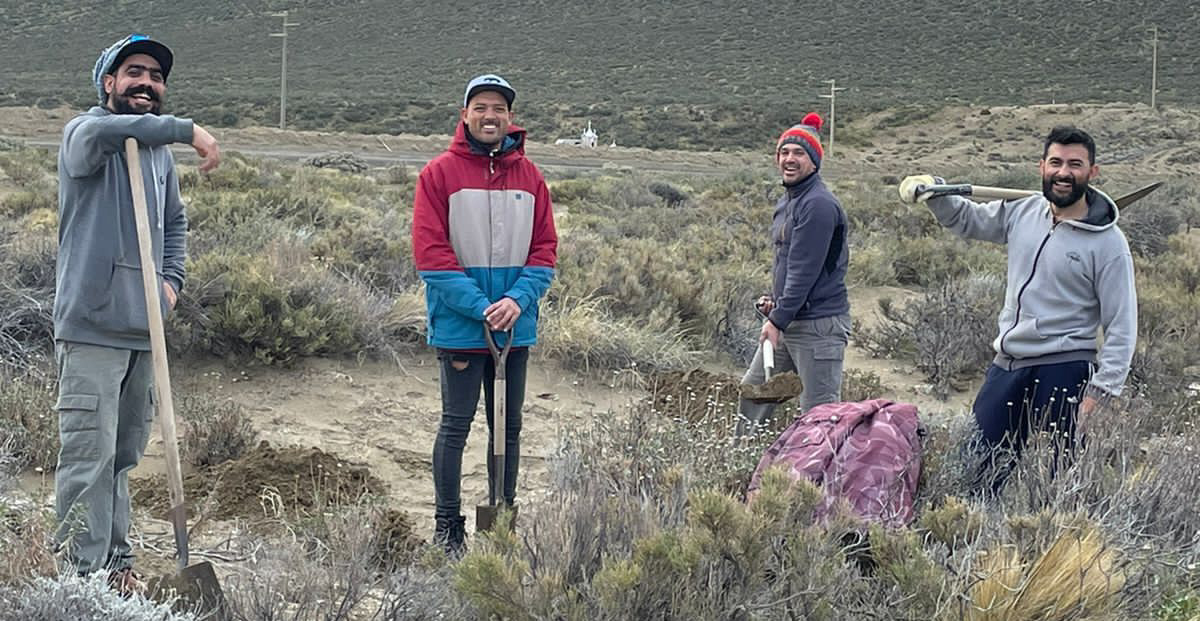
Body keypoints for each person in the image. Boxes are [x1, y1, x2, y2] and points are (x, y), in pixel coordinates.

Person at [54, 34, 220, 592]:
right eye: (133, 72)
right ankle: (80, 579)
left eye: (155, 75)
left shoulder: (156, 156)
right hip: (91, 327)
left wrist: (170, 284)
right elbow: (101, 134)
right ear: (109, 83)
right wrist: (186, 130)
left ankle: (116, 561)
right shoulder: (85, 134)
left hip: (144, 329)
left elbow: (174, 223)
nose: (146, 82)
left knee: (123, 455)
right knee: (89, 454)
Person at [898, 125, 1137, 491]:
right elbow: (968, 219)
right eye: (1055, 162)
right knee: (975, 472)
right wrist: (936, 192)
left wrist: (1101, 392)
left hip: (1065, 368)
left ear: (1092, 172)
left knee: (1060, 484)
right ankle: (977, 525)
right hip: (1008, 363)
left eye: (1075, 165)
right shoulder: (1023, 210)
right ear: (1042, 166)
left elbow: (1122, 324)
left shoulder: (1109, 243)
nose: (1063, 172)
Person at [412, 74, 557, 554]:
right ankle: (448, 527)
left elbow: (544, 251)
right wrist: (481, 307)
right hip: (461, 327)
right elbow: (432, 257)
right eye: (481, 107)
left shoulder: (531, 178)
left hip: (514, 328)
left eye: (499, 108)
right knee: (455, 426)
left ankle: (501, 519)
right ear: (465, 115)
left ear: (510, 117)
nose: (490, 116)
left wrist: (516, 300)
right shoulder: (438, 174)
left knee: (507, 429)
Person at [737, 113, 851, 436]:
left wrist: (776, 320)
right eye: (784, 152)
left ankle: (823, 469)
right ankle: (743, 460)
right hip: (791, 318)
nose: (790, 159)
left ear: (814, 161)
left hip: (818, 326)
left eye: (799, 153)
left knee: (819, 417)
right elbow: (789, 263)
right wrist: (777, 304)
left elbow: (804, 270)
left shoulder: (818, 205)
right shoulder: (791, 200)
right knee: (754, 393)